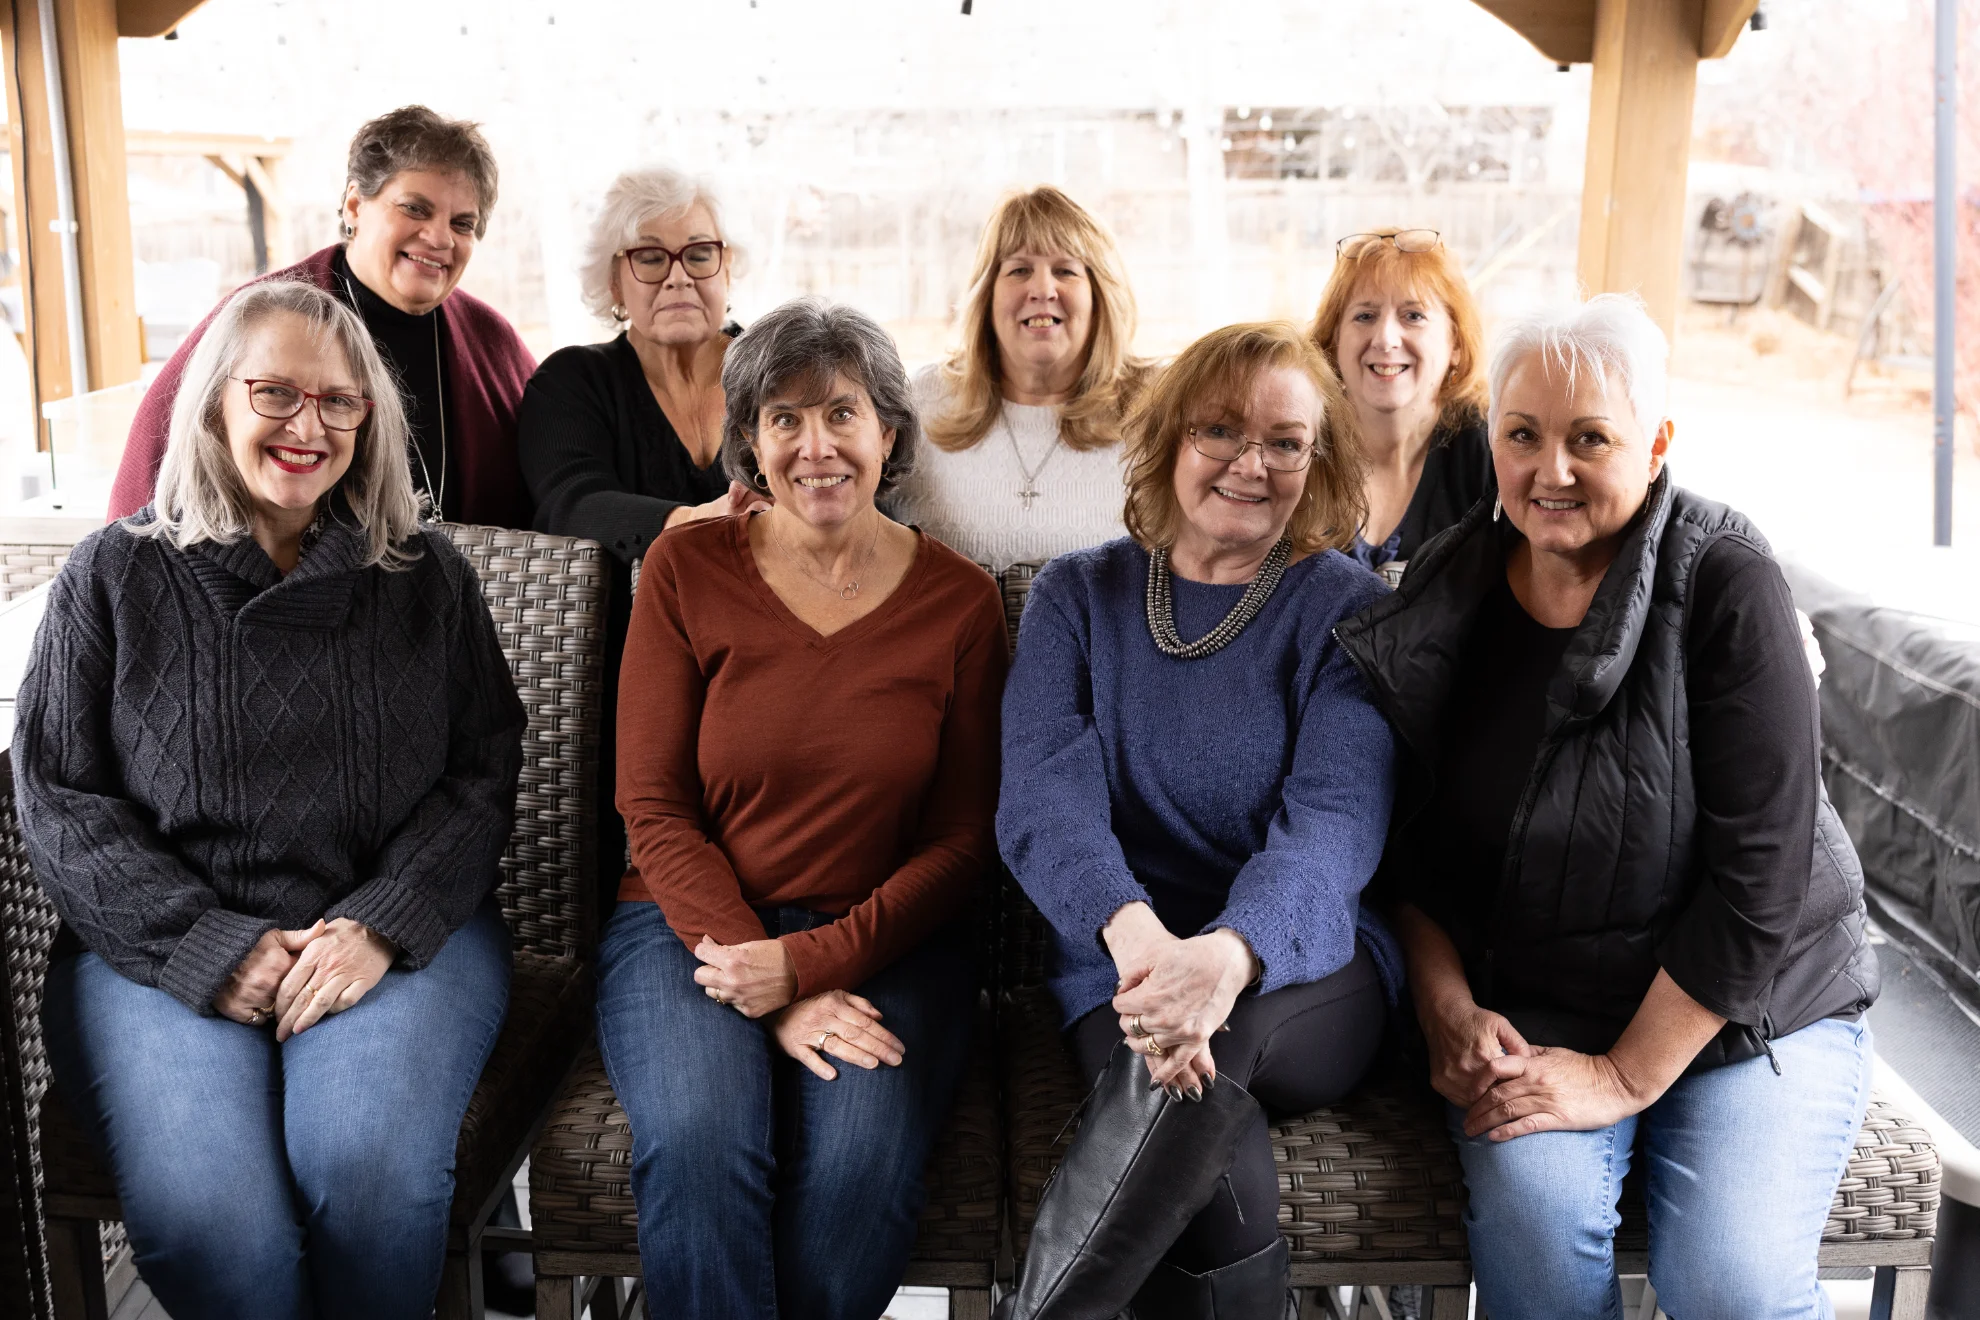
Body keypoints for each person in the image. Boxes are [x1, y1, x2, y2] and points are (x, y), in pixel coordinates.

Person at [1335, 294, 1878, 1318]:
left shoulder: (1726, 579)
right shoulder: (1451, 583)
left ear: (1657, 443)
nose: (1552, 471)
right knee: (1534, 1232)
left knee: (1729, 1282)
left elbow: (1761, 882)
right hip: (1539, 1003)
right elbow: (1408, 860)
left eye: (1590, 439)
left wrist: (1625, 1077)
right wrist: (1447, 1012)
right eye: (1522, 436)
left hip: (1754, 1006)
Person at [18, 280, 527, 1320]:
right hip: (163, 948)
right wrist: (208, 946)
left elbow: (484, 770)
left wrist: (383, 923)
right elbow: (60, 796)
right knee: (214, 1227)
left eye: (339, 401)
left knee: (367, 1175)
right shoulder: (114, 574)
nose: (310, 426)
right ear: (215, 402)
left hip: (390, 933)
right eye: (277, 394)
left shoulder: (426, 576)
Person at [600, 298, 1008, 1318]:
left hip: (888, 940)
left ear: (890, 435)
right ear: (750, 441)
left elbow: (963, 840)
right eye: (783, 419)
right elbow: (651, 804)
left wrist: (810, 964)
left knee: (858, 1174)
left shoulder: (961, 602)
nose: (814, 447)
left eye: (841, 414)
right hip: (686, 927)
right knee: (700, 1145)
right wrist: (767, 978)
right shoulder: (684, 569)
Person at [996, 322, 1399, 1319]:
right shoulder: (1077, 596)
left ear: (1318, 460)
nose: (1249, 465)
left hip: (1303, 964)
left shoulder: (1347, 610)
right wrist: (1142, 945)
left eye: (1284, 443)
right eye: (1220, 430)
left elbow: (1334, 824)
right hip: (1120, 963)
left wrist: (1226, 957)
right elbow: (1043, 797)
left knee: (1197, 1078)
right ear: (1170, 436)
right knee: (1210, 1170)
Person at [519, 164, 768, 912]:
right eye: (650, 257)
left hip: (767, 668)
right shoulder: (573, 382)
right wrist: (692, 524)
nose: (679, 276)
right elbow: (570, 501)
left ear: (728, 267)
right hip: (625, 679)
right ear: (614, 281)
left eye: (700, 253)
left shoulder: (779, 372)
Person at [110, 105, 536, 528]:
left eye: (462, 224)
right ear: (354, 205)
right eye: (415, 209)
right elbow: (150, 481)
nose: (440, 238)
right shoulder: (257, 319)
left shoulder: (492, 341)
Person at [891, 185, 1149, 570]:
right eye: (1019, 270)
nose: (1042, 290)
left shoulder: (1159, 408)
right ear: (988, 295)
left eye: (1065, 270)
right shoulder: (920, 401)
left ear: (1099, 295)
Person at [1309, 227, 1493, 583]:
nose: (1385, 339)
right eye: (1365, 316)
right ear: (1333, 341)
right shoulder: (1299, 444)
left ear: (1456, 343)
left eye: (1413, 315)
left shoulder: (1491, 454)